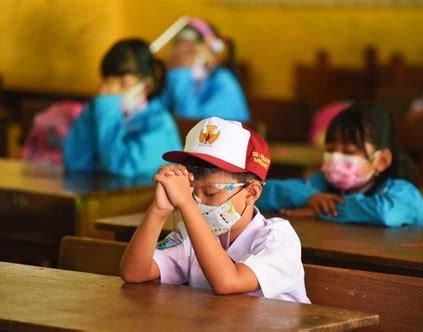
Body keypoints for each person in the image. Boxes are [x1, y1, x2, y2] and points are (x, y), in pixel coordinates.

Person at [120, 117, 309, 303]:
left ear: (251, 192)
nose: (198, 203)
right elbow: (134, 273)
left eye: (210, 193)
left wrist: (186, 203)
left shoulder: (279, 240)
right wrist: (159, 210)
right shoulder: (189, 237)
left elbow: (228, 282)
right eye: (192, 192)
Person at [257, 104, 423, 227]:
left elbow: (385, 213)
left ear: (381, 161)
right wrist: (309, 198)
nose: (336, 158)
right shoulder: (323, 184)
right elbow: (263, 193)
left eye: (349, 152)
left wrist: (322, 210)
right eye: (330, 150)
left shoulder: (405, 193)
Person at [64, 38, 182, 177]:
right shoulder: (100, 111)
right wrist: (95, 109)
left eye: (122, 83)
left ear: (147, 85)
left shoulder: (160, 124)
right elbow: (75, 163)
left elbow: (120, 169)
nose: (112, 91)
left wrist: (108, 106)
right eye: (108, 82)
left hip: (144, 197)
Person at [158, 17, 250, 122]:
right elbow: (156, 115)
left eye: (191, 52)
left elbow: (192, 125)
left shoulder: (224, 82)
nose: (183, 57)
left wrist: (181, 73)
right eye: (178, 51)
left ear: (213, 54)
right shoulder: (174, 78)